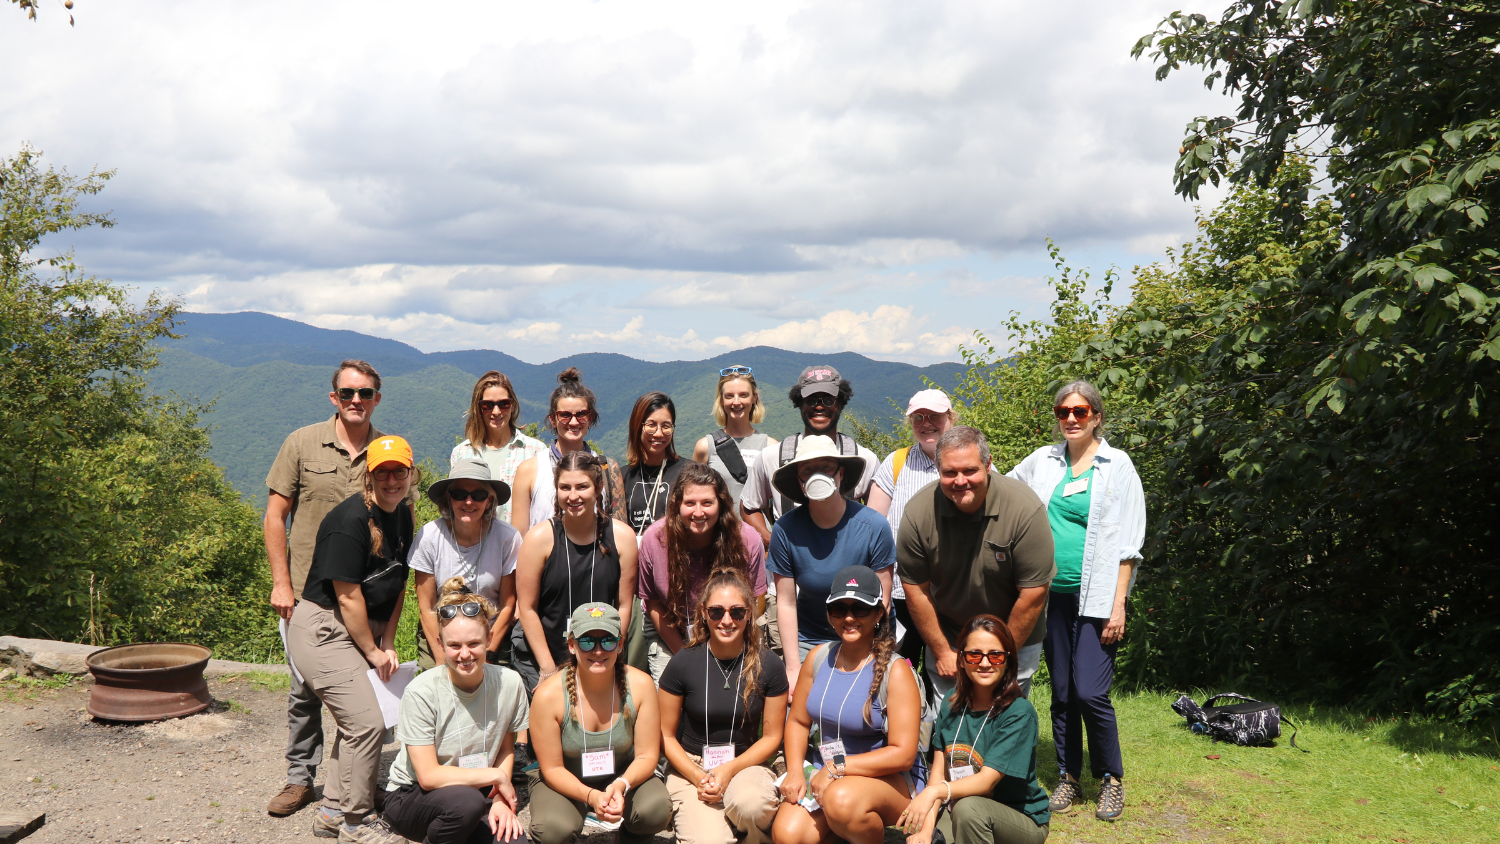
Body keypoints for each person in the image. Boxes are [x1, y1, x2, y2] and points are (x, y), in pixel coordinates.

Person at [1006, 381, 1145, 822]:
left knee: (1090, 691)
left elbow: (1129, 545)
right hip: (1049, 597)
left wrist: (1118, 605)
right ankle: (1069, 776)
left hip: (1099, 599)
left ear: (1097, 416)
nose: (1070, 418)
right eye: (1063, 411)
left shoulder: (1117, 465)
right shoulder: (1043, 461)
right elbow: (1002, 487)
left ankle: (1111, 779)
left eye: (1080, 411)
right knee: (1063, 692)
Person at [263, 359, 387, 818]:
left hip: (362, 596)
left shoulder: (386, 452)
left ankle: (345, 784)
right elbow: (276, 515)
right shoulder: (302, 442)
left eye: (366, 393)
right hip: (305, 594)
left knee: (356, 693)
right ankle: (300, 778)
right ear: (334, 397)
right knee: (304, 690)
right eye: (349, 393)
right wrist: (281, 583)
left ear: (377, 398)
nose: (358, 401)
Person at [286, 435, 417, 844]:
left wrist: (389, 641)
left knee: (355, 721)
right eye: (383, 472)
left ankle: (330, 812)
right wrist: (374, 652)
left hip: (357, 631)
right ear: (369, 475)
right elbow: (347, 596)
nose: (392, 479)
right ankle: (357, 823)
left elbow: (397, 583)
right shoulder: (350, 521)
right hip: (324, 630)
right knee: (366, 723)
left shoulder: (402, 514)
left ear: (410, 474)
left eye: (399, 471)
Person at [897, 427, 1055, 709]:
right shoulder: (919, 513)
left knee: (1004, 720)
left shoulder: (1024, 509)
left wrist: (1000, 656)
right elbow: (915, 590)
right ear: (938, 470)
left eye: (970, 470)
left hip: (1014, 634)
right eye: (949, 473)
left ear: (988, 464)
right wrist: (942, 650)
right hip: (951, 636)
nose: (960, 481)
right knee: (950, 722)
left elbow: (1033, 594)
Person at [774, 566, 923, 844]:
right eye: (839, 609)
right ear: (829, 614)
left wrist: (835, 767)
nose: (849, 617)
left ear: (879, 613)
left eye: (861, 609)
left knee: (841, 801)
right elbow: (797, 721)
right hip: (826, 772)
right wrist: (795, 771)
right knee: (787, 834)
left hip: (888, 780)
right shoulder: (818, 658)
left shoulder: (897, 671)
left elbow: (902, 754)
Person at [739, 365, 879, 659]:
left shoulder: (864, 459)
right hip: (786, 594)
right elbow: (748, 506)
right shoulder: (771, 457)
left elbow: (875, 519)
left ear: (840, 402)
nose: (819, 406)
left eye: (828, 399)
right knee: (791, 672)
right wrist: (775, 542)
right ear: (799, 403)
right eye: (810, 399)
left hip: (851, 599)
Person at [383, 577, 530, 844]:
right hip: (412, 795)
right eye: (454, 646)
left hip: (476, 791)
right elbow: (428, 777)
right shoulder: (421, 692)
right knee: (465, 804)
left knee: (515, 840)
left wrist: (498, 797)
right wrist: (496, 777)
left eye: (474, 644)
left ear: (490, 639)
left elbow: (506, 749)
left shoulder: (510, 683)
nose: (465, 654)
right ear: (440, 645)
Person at [658, 570, 787, 844]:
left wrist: (728, 770)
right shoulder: (683, 663)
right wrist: (698, 777)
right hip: (691, 766)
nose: (726, 620)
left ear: (750, 612)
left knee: (752, 806)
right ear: (704, 613)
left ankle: (749, 834)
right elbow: (665, 735)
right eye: (717, 612)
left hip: (745, 764)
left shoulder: (770, 665)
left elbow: (773, 736)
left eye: (737, 612)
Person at [526, 603, 672, 844]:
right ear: (572, 645)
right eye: (586, 641)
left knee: (655, 809)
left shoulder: (641, 685)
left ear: (620, 644)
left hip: (620, 774)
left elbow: (647, 755)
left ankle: (630, 839)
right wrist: (591, 796)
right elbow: (552, 769)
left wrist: (622, 784)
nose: (597, 650)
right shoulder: (548, 696)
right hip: (565, 777)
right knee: (552, 829)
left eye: (607, 641)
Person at [898, 615, 1050, 844]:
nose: (985, 663)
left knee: (969, 810)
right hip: (961, 808)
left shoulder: (1019, 712)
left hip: (1018, 818)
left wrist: (933, 793)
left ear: (1008, 660)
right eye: (974, 654)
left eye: (996, 655)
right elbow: (937, 775)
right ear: (961, 659)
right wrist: (925, 832)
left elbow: (986, 781)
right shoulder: (951, 703)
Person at [766, 436, 896, 691]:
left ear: (840, 473)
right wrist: (793, 668)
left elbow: (883, 601)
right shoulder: (785, 529)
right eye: (807, 470)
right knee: (796, 715)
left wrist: (867, 652)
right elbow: (786, 602)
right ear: (799, 481)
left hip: (866, 633)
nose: (818, 475)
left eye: (826, 467)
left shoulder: (873, 526)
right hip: (808, 638)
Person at [513, 451, 639, 693]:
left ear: (598, 487)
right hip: (545, 655)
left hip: (601, 656)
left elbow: (624, 605)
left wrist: (610, 654)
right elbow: (527, 608)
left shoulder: (622, 537)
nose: (573, 496)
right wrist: (548, 669)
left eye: (582, 487)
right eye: (565, 487)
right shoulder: (539, 538)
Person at [637, 463, 767, 681]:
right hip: (671, 634)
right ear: (677, 504)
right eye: (690, 503)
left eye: (707, 503)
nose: (698, 512)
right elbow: (652, 603)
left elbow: (755, 600)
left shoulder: (748, 540)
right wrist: (686, 656)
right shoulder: (655, 539)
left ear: (721, 504)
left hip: (733, 630)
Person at [867, 389, 957, 698]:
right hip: (899, 593)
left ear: (951, 418)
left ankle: (941, 741)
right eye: (918, 417)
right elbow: (872, 525)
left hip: (949, 595)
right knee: (895, 669)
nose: (926, 423)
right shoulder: (896, 462)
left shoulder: (969, 459)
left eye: (934, 416)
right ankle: (898, 737)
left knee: (946, 670)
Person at [411, 458, 523, 671]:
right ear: (449, 499)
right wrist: (443, 657)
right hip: (441, 632)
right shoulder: (430, 536)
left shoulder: (507, 538)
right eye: (460, 494)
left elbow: (508, 604)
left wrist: (487, 653)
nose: (469, 502)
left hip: (490, 634)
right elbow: (426, 607)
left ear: (489, 501)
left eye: (479, 495)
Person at [620, 391, 689, 672]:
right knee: (633, 671)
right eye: (651, 424)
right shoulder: (620, 476)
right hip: (632, 591)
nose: (658, 433)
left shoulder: (688, 473)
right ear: (637, 426)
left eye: (666, 425)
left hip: (673, 590)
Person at [511, 367, 626, 534]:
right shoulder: (529, 470)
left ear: (590, 418)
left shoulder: (608, 469)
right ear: (553, 419)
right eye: (565, 415)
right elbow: (519, 538)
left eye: (581, 414)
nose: (573, 422)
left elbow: (620, 534)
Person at [450, 370, 547, 527]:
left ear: (512, 406)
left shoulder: (535, 451)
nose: (496, 411)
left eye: (503, 404)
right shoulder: (462, 453)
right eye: (488, 405)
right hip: (475, 546)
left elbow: (542, 507)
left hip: (521, 547)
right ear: (479, 408)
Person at [692, 365, 776, 504]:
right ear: (721, 400)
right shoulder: (705, 447)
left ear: (754, 398)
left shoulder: (770, 447)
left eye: (743, 395)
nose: (736, 402)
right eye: (729, 396)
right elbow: (694, 495)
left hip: (759, 526)